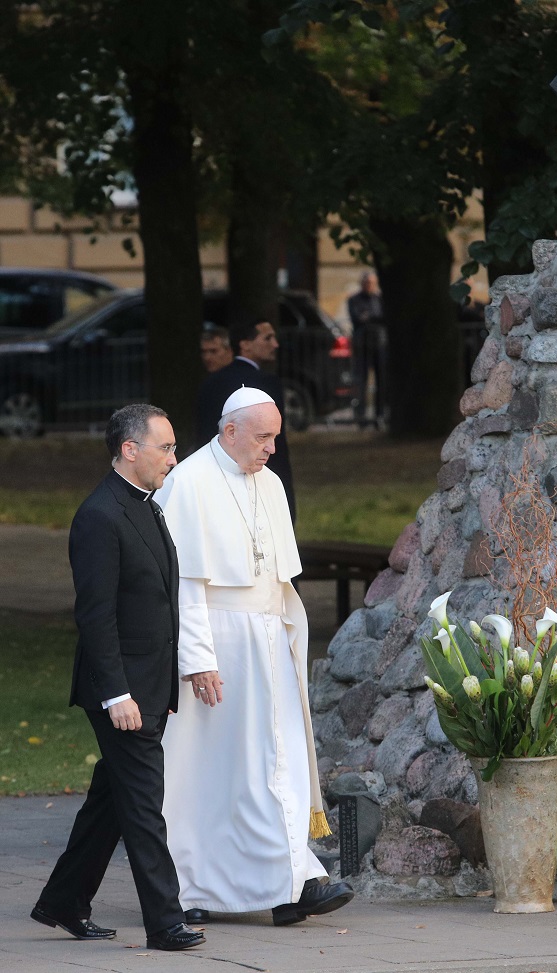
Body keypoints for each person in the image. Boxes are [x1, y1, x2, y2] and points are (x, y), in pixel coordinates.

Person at [156, 387, 353, 926]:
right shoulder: (190, 481)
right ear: (230, 431)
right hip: (219, 647)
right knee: (213, 773)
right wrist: (197, 659)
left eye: (275, 437)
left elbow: (278, 578)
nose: (272, 449)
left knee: (278, 762)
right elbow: (183, 585)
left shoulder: (268, 482)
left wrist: (291, 640)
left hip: (268, 642)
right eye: (263, 437)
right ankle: (196, 887)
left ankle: (291, 882)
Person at [30, 404, 205, 952]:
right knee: (144, 806)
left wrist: (164, 683)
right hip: (121, 690)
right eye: (166, 447)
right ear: (130, 449)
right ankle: (165, 922)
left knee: (111, 801)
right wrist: (117, 694)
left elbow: (155, 602)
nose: (174, 458)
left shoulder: (147, 507)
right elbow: (96, 616)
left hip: (149, 684)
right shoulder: (99, 515)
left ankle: (62, 901)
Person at [195, 317, 296, 521]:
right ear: (245, 344)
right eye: (267, 338)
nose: (275, 345)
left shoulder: (210, 383)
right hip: (260, 480)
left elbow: (203, 437)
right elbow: (276, 447)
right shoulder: (266, 383)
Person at [346, 270, 386, 426]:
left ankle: (380, 416)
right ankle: (361, 418)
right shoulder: (354, 299)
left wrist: (368, 317)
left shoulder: (379, 299)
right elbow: (357, 318)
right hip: (361, 345)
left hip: (379, 345)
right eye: (367, 283)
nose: (369, 286)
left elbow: (381, 317)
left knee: (381, 382)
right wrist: (372, 317)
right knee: (360, 382)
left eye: (372, 283)